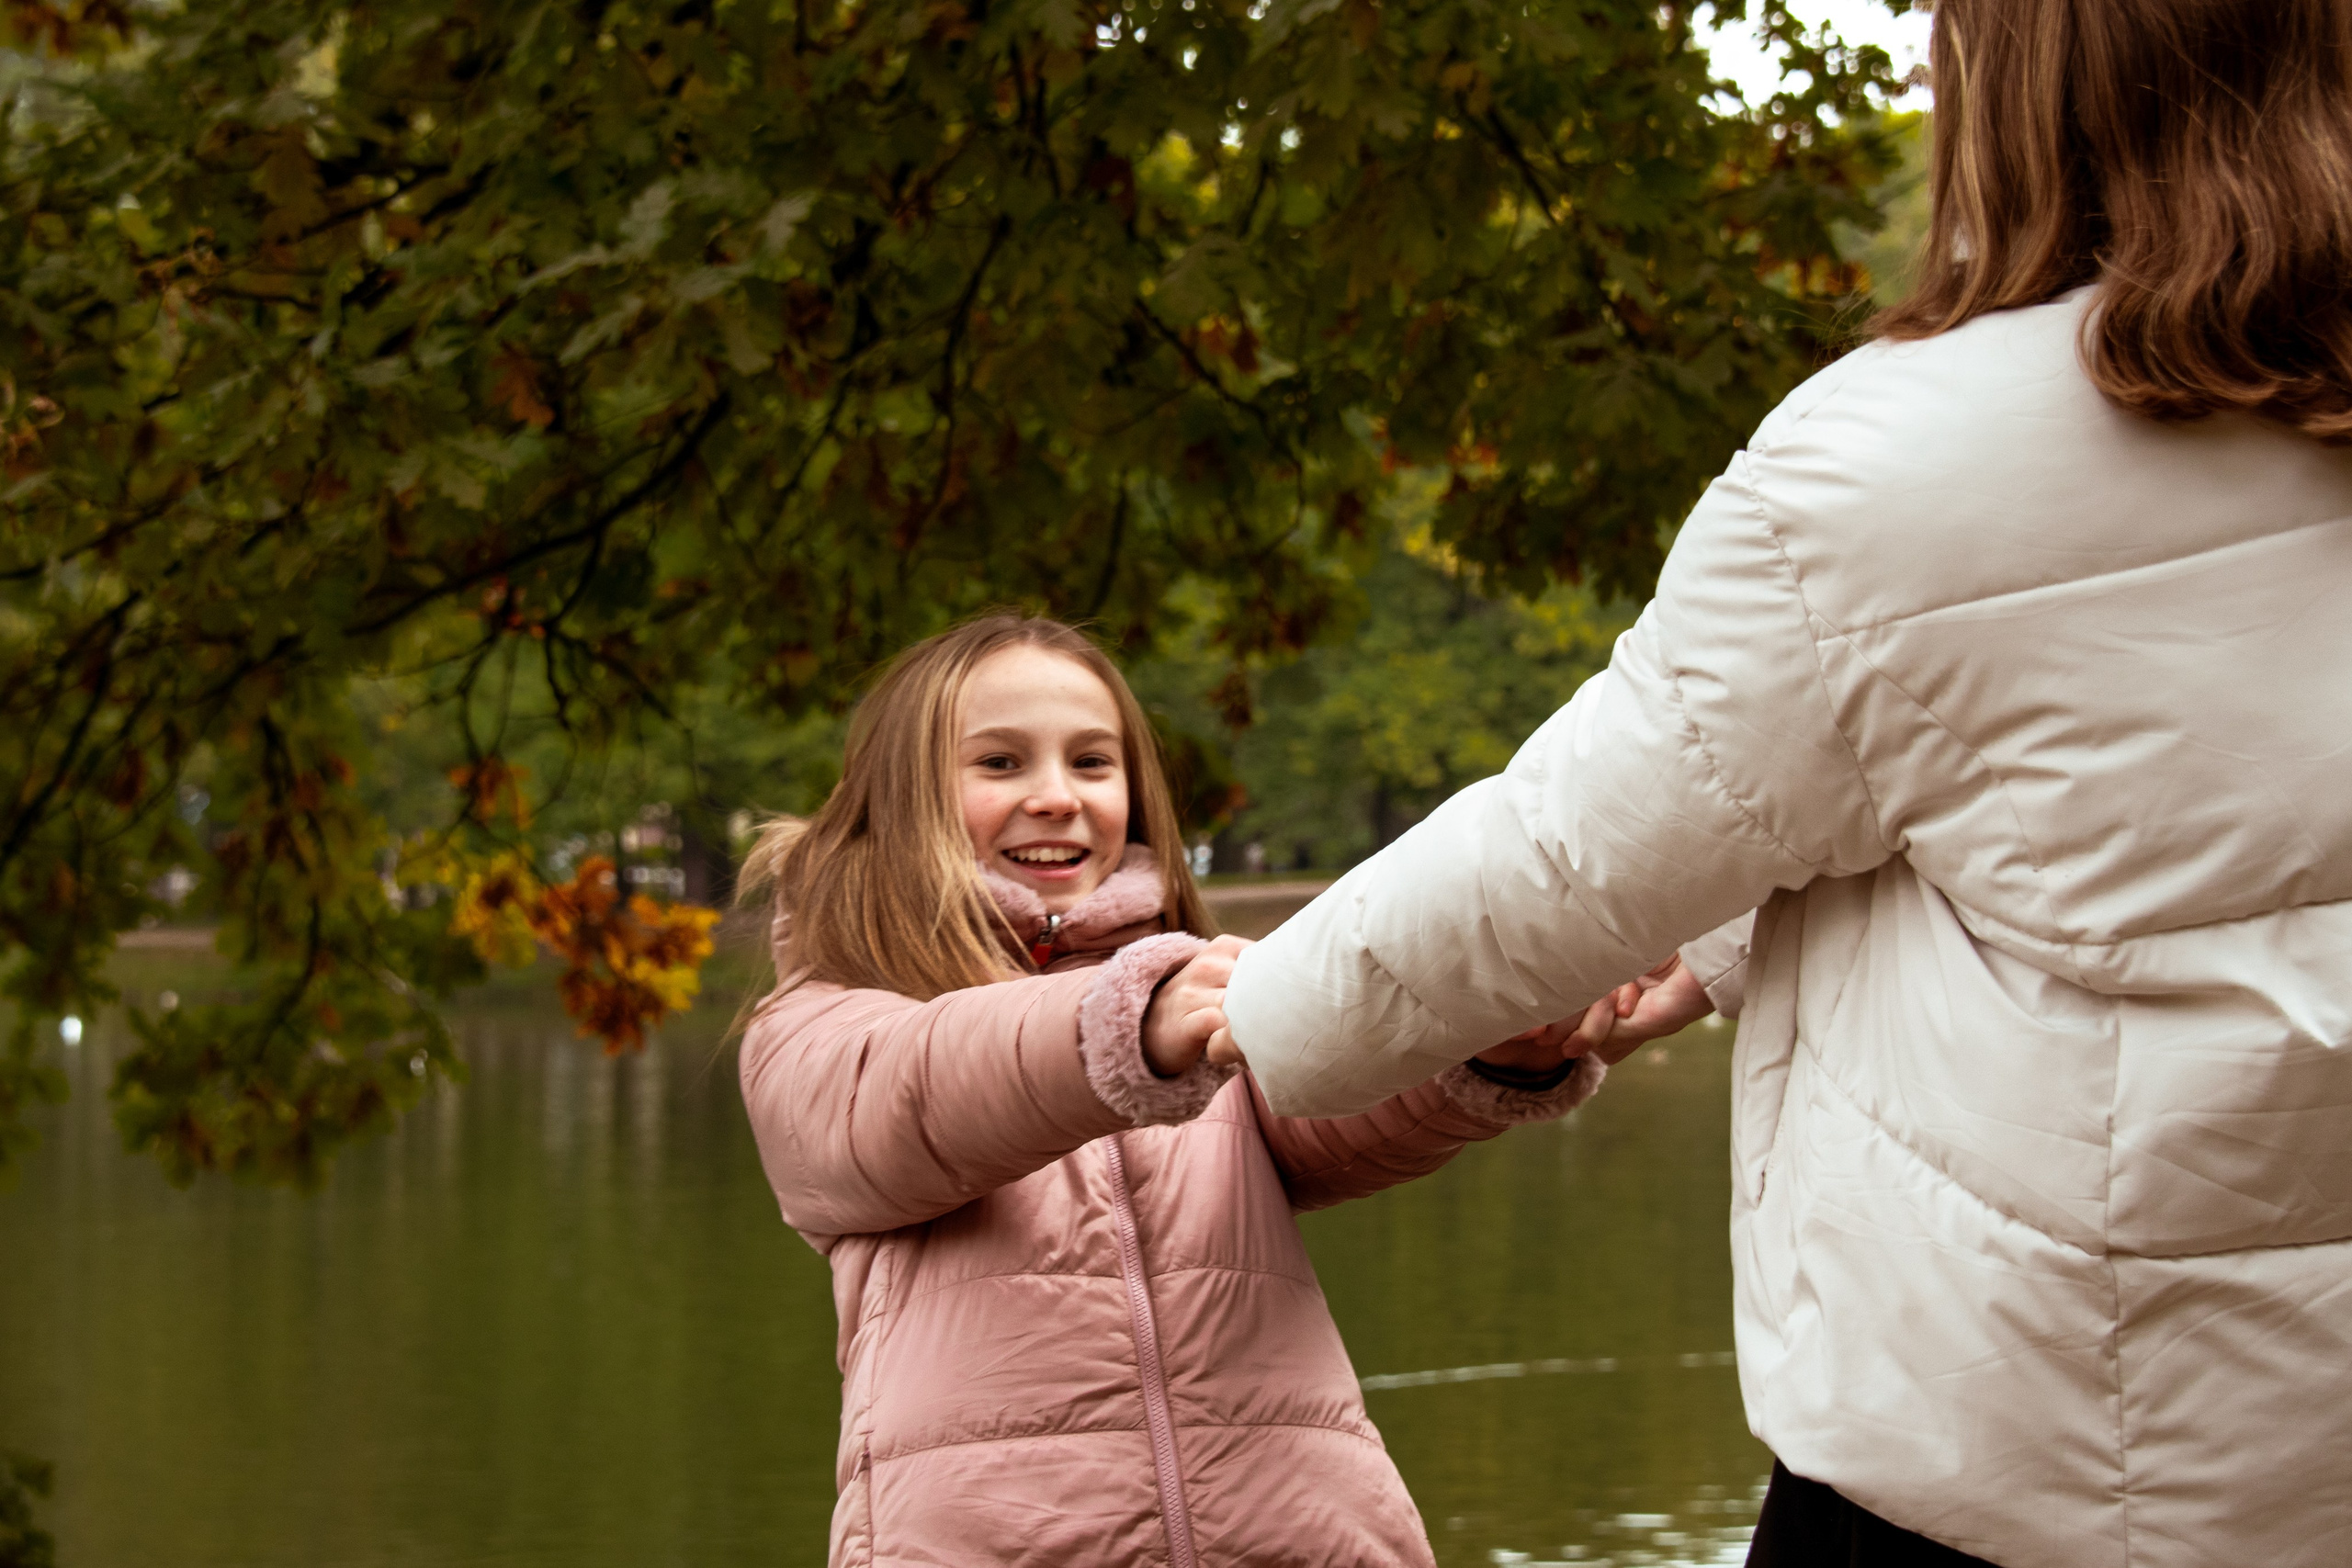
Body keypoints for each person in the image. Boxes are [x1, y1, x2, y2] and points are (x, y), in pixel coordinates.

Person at [1212, 3, 2352, 1565]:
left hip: (2029, 1460)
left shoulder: (1900, 463)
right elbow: (2174, 860)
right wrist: (1731, 947)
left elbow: (1559, 863)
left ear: (2019, 88)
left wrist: (1256, 1009)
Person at [735, 614, 1639, 1568]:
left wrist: (1492, 1043)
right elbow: (916, 1097)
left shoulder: (1188, 990)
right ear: (895, 799)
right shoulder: (824, 1025)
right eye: (999, 764)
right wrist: (1128, 1020)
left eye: (1092, 763)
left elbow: (1325, 1105)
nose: (1056, 797)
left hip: (1301, 1536)